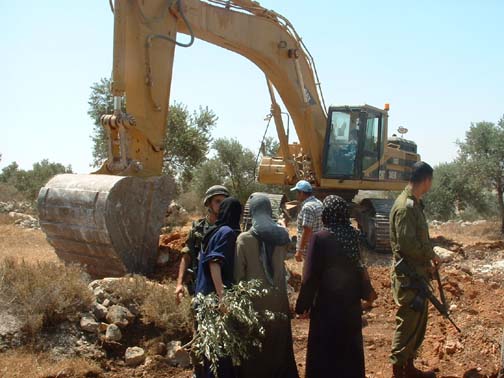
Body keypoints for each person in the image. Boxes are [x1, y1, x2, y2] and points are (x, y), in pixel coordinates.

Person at [295, 195, 376, 378]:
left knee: (325, 357)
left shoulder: (320, 238)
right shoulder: (354, 236)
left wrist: (302, 306)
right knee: (350, 355)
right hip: (351, 309)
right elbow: (359, 266)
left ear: (327, 213)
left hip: (326, 310)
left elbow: (310, 277)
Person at [234, 194, 299, 378]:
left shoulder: (243, 240)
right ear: (269, 211)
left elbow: (239, 278)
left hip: (255, 306)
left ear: (252, 211)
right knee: (277, 347)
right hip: (279, 302)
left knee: (255, 351)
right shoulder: (281, 236)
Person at [389, 161, 441, 378]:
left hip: (417, 275)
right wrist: (431, 255)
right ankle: (398, 370)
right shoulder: (405, 207)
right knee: (408, 322)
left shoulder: (414, 204)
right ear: (426, 180)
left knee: (417, 323)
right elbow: (407, 245)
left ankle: (408, 367)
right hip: (408, 276)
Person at [195, 197, 242, 378]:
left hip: (203, 295)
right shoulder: (227, 232)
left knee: (211, 348)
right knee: (220, 349)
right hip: (214, 298)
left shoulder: (214, 231)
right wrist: (222, 297)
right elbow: (215, 263)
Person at [175, 185, 229, 303]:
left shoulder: (228, 230)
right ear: (209, 203)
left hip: (221, 287)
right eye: (218, 201)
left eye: (224, 202)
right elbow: (187, 255)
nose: (221, 205)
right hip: (198, 285)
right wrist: (179, 284)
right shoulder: (197, 228)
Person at [291, 180, 323, 263]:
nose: (297, 196)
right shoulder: (319, 203)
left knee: (308, 272)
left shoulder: (307, 208)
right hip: (318, 245)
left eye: (297, 193)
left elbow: (307, 230)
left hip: (309, 248)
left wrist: (300, 251)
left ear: (301, 193)